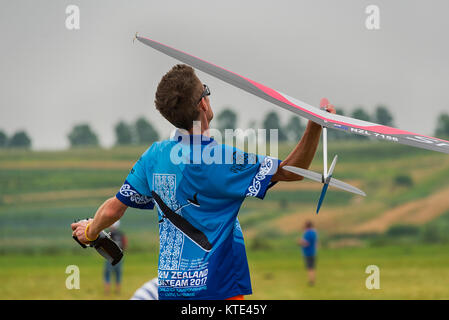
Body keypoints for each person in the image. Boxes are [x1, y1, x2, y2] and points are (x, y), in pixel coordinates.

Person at [71, 64, 335, 300]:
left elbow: (113, 209)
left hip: (173, 289)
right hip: (220, 289)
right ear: (203, 105)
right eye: (206, 91)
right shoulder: (221, 159)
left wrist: (91, 232)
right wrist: (315, 123)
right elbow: (292, 171)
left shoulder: (154, 155)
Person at [103, 220, 127, 295]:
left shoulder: (107, 234)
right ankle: (118, 291)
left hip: (110, 257)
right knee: (118, 274)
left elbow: (104, 245)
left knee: (107, 273)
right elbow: (125, 244)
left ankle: (107, 291)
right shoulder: (121, 234)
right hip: (119, 256)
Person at [298, 220, 318, 286]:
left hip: (308, 252)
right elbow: (316, 243)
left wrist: (300, 242)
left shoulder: (307, 233)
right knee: (312, 267)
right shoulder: (314, 232)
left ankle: (311, 281)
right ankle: (312, 280)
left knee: (310, 268)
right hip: (313, 252)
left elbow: (306, 243)